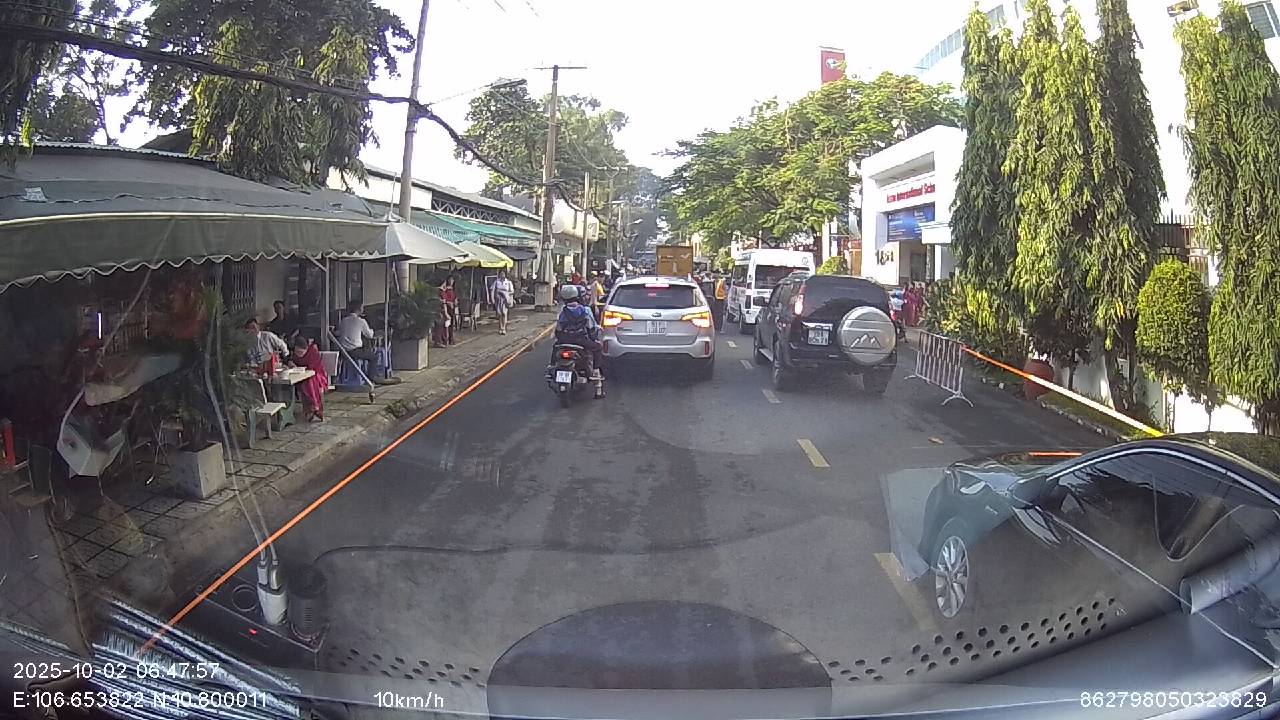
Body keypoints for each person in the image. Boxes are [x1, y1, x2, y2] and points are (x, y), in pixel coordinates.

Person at [551, 285, 602, 377]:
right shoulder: (585, 310)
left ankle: (552, 366)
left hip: (564, 340)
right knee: (598, 347)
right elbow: (591, 328)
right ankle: (596, 371)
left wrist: (560, 337)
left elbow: (558, 328)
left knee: (555, 347)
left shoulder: (562, 311)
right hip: (580, 340)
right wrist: (594, 337)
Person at [288, 336, 329, 422]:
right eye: (297, 352)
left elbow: (313, 367)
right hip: (301, 375)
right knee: (304, 382)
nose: (298, 354)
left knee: (309, 382)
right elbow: (293, 362)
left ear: (306, 349)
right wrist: (292, 364)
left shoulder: (313, 350)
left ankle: (314, 407)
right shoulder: (294, 354)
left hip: (317, 374)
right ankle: (313, 408)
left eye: (301, 352)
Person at [336, 299, 380, 372]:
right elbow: (369, 335)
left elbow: (339, 333)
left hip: (344, 352)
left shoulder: (343, 320)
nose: (363, 309)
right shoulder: (361, 321)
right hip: (355, 351)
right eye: (362, 307)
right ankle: (370, 377)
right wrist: (372, 330)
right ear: (359, 309)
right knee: (374, 357)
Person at [492, 269, 515, 335]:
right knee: (500, 314)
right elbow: (492, 290)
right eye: (501, 274)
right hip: (498, 300)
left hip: (505, 300)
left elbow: (512, 291)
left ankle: (504, 328)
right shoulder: (496, 282)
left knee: (504, 314)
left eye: (503, 273)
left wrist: (505, 293)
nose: (502, 275)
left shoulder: (508, 282)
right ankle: (500, 328)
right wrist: (492, 299)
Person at [440, 275, 459, 345]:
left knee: (451, 324)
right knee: (446, 324)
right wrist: (448, 303)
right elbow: (444, 298)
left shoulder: (454, 289)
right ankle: (445, 339)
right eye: (450, 280)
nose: (451, 281)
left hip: (452, 307)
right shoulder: (445, 289)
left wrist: (455, 301)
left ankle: (451, 338)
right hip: (447, 307)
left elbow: (455, 297)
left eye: (452, 280)